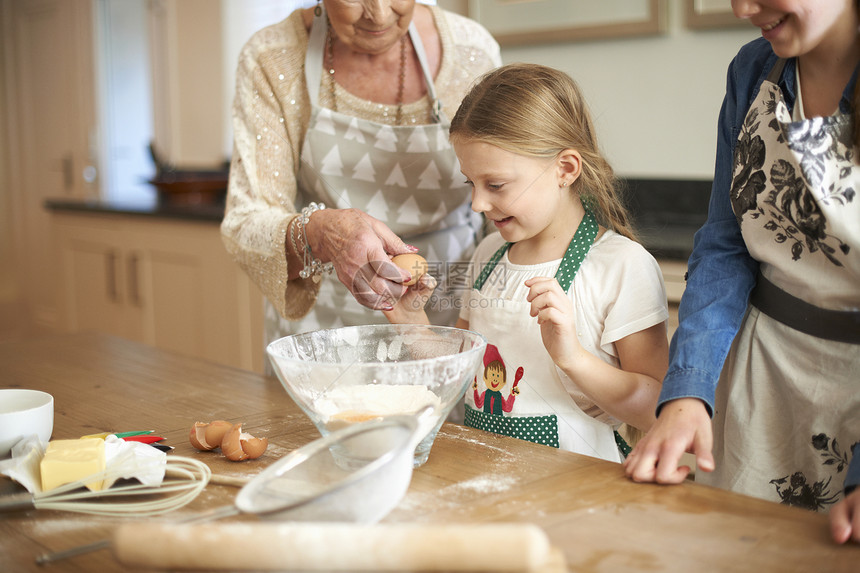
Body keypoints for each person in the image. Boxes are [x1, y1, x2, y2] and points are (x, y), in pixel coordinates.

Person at [623, 0, 860, 542]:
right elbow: (726, 246)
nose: (742, 8)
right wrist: (688, 392)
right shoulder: (754, 71)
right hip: (763, 379)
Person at [385, 63, 670, 462]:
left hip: (579, 489)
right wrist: (412, 323)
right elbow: (462, 374)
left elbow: (657, 409)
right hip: (482, 474)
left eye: (496, 185)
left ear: (565, 169)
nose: (477, 204)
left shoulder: (622, 266)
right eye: (472, 183)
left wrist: (573, 358)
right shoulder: (488, 254)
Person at [220, 1, 501, 351]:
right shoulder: (272, 57)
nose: (379, 15)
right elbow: (245, 222)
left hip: (454, 315)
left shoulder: (471, 50)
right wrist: (323, 233)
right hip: (325, 333)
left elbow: (505, 201)